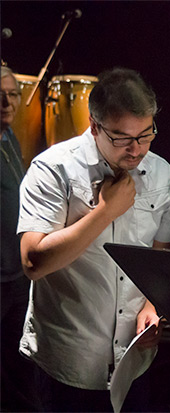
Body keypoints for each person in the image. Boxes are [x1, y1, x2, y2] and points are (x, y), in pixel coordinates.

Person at [17, 67, 170, 411]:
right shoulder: (52, 168)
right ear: (94, 126)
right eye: (122, 138)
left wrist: (152, 305)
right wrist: (105, 211)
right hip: (69, 358)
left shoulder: (161, 170)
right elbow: (33, 262)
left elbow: (161, 250)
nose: (136, 150)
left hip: (133, 359)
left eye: (146, 134)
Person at [1, 66, 42, 412]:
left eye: (13, 94)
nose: (7, 102)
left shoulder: (9, 137)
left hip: (14, 275)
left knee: (18, 369)